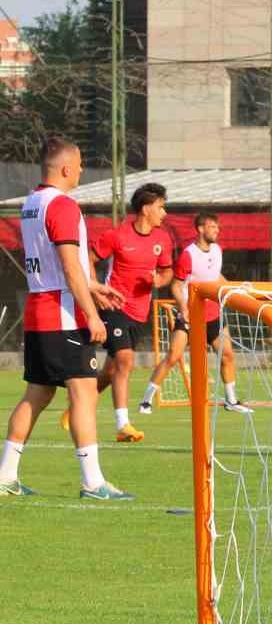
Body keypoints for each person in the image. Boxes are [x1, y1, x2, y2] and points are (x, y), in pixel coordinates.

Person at [0, 137, 134, 500]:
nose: (81, 169)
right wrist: (92, 314)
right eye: (79, 164)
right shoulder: (62, 206)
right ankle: (93, 482)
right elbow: (70, 266)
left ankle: (5, 475)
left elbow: (56, 266)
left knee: (37, 393)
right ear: (65, 169)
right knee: (84, 392)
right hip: (62, 314)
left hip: (39, 309)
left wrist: (94, 286)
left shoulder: (32, 203)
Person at [61, 181, 173, 443]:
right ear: (145, 208)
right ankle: (123, 425)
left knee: (112, 373)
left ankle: (76, 406)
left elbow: (167, 271)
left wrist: (158, 280)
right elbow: (89, 258)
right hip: (115, 308)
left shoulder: (163, 239)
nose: (164, 213)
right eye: (160, 207)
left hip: (139, 313)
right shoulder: (117, 235)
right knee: (125, 360)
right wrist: (94, 290)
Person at [140, 212, 251, 415]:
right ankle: (146, 400)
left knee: (227, 355)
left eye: (217, 227)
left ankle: (231, 400)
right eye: (212, 227)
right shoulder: (188, 255)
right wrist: (183, 308)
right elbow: (176, 285)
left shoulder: (217, 250)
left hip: (214, 314)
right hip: (191, 315)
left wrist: (234, 288)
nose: (217, 230)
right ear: (200, 229)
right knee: (173, 356)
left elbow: (215, 276)